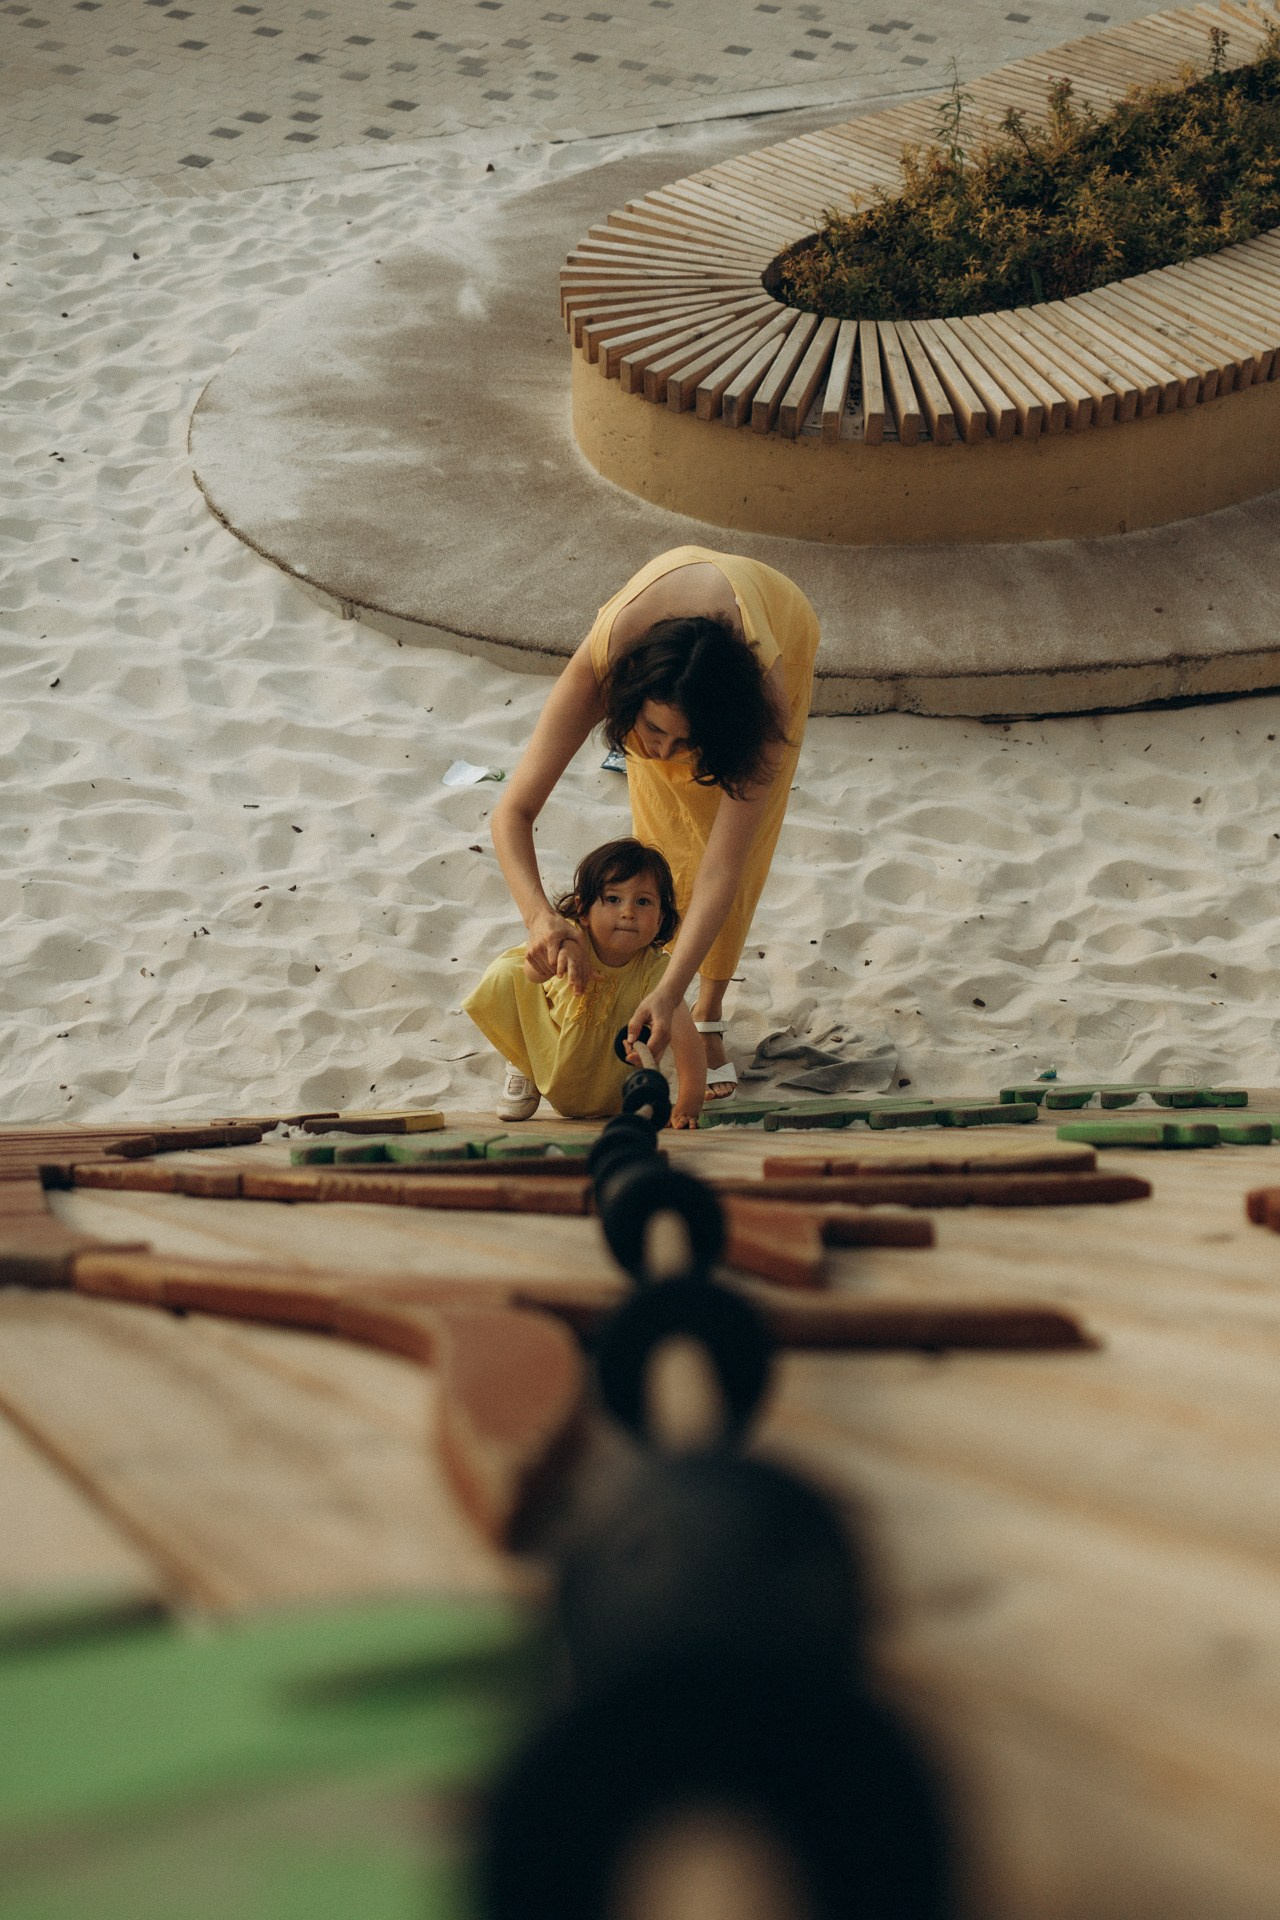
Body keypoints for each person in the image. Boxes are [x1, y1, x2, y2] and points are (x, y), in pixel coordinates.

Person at [490, 546, 820, 1099]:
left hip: (780, 620)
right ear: (630, 696)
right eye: (652, 729)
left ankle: (708, 1009)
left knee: (741, 845)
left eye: (684, 741)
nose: (663, 750)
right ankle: (653, 984)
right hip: (664, 621)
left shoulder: (761, 712)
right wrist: (540, 920)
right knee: (660, 842)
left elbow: (721, 870)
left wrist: (674, 993)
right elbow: (512, 811)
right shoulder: (606, 661)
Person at [463, 837, 706, 1127]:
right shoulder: (572, 941)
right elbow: (529, 976)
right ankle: (523, 1065)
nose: (628, 912)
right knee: (507, 972)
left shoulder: (657, 971)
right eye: (613, 899)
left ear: (660, 918)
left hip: (605, 1080)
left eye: (643, 902)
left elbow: (688, 1043)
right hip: (552, 1049)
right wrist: (556, 958)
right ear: (583, 910)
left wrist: (687, 1106)